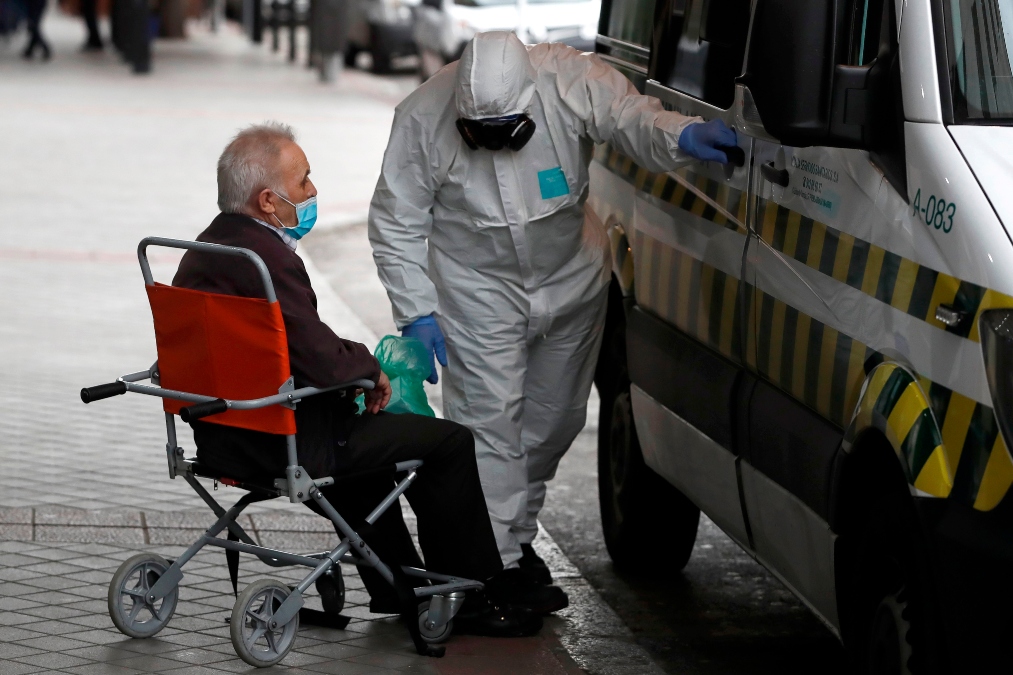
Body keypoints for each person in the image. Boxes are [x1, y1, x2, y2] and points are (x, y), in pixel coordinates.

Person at [368, 31, 736, 611]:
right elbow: (396, 218)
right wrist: (416, 311)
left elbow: (631, 116)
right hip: (476, 290)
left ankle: (513, 537)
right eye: (478, 133)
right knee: (490, 429)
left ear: (530, 96)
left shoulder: (568, 79)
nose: (492, 143)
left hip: (571, 281)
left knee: (554, 422)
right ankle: (495, 572)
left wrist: (682, 135)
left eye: (506, 130)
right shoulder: (421, 114)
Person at [172, 122, 541, 638]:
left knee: (369, 453)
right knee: (449, 443)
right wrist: (369, 370)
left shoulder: (203, 251)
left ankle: (400, 586)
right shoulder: (266, 264)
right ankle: (474, 592)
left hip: (222, 436)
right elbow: (318, 358)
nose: (313, 191)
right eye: (303, 183)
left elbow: (284, 350)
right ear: (268, 202)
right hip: (284, 442)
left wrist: (351, 374)